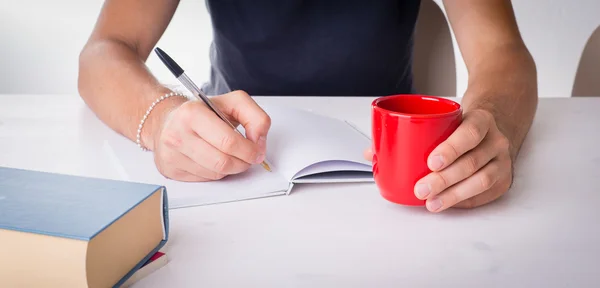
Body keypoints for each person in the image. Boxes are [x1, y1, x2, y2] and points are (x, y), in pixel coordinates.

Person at [78, 0, 538, 213]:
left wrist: (492, 124)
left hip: (385, 176)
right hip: (230, 166)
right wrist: (161, 119)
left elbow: (503, 53)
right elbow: (103, 51)